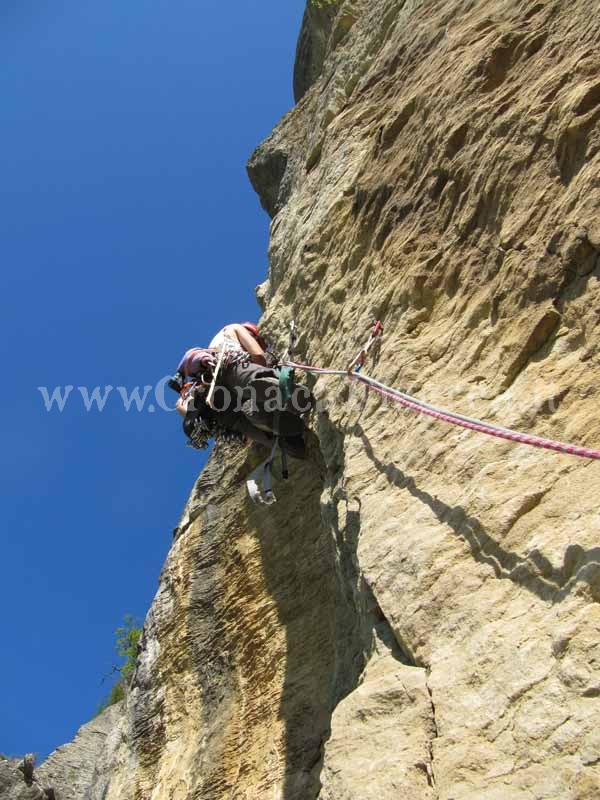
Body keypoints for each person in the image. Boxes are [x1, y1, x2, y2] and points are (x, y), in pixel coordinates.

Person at [172, 322, 310, 457]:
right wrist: (266, 367)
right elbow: (258, 356)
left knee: (246, 419)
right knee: (253, 381)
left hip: (220, 407)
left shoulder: (196, 380)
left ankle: (289, 442)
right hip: (230, 369)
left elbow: (182, 405)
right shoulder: (233, 328)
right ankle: (287, 395)